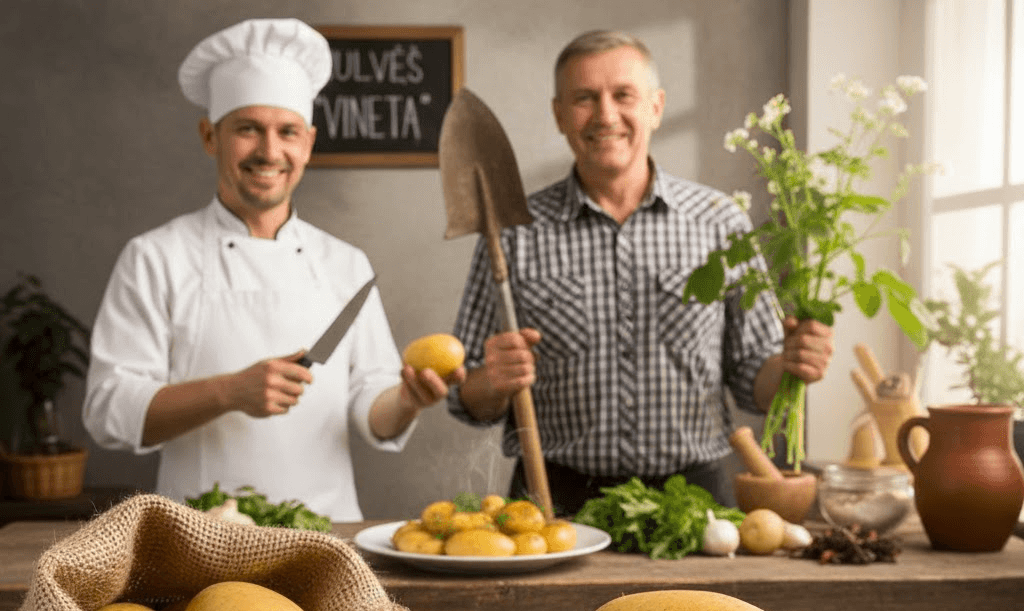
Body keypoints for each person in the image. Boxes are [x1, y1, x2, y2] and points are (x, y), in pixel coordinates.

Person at [83, 18, 463, 521]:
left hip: (328, 536)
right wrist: (229, 391)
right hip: (199, 535)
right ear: (209, 135)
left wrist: (408, 401)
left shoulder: (345, 263)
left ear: (307, 143)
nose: (269, 151)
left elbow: (372, 402)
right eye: (248, 129)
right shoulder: (155, 257)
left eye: (286, 132)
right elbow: (109, 410)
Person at [448, 29, 833, 514]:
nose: (605, 115)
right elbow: (469, 398)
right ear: (559, 114)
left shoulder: (719, 222)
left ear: (655, 106)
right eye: (585, 98)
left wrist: (792, 367)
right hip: (555, 500)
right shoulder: (513, 231)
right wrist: (492, 381)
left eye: (623, 95)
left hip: (695, 502)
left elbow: (754, 384)